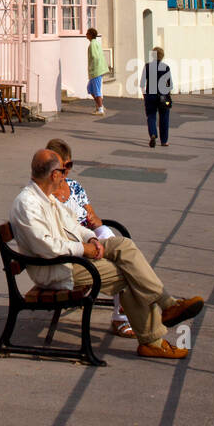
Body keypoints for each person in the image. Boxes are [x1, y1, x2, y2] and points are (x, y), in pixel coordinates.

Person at [10, 149, 204, 359]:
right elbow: (46, 247)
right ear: (54, 175)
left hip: (69, 257)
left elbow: (73, 227)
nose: (65, 176)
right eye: (63, 171)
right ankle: (152, 340)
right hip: (56, 268)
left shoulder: (47, 198)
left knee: (124, 245)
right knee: (127, 274)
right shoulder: (27, 204)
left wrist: (91, 239)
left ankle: (168, 304)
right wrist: (84, 248)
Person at [45, 137, 133, 338]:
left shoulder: (75, 187)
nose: (66, 171)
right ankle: (126, 315)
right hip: (73, 252)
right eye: (62, 167)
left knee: (125, 251)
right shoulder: (45, 195)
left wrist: (95, 220)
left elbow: (92, 216)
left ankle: (135, 310)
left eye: (70, 165)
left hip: (90, 239)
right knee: (124, 264)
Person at [141, 46, 173, 147]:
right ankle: (164, 141)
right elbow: (170, 85)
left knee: (151, 116)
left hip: (150, 95)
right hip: (163, 96)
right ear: (162, 56)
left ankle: (153, 134)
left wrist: (145, 95)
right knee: (164, 118)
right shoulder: (166, 67)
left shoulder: (147, 66)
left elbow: (142, 83)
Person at [86, 27, 109, 115]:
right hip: (96, 70)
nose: (86, 35)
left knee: (96, 90)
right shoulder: (95, 43)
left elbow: (95, 57)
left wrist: (92, 68)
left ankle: (100, 109)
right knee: (90, 89)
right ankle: (100, 105)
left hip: (96, 71)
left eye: (87, 33)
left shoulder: (93, 44)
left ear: (91, 35)